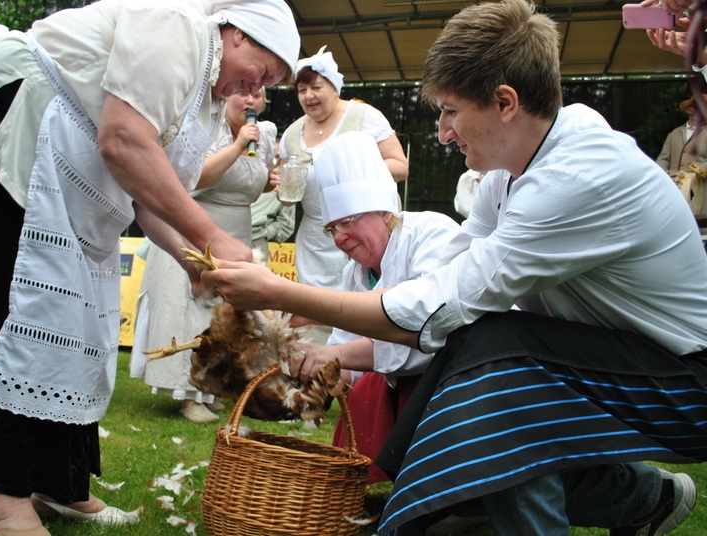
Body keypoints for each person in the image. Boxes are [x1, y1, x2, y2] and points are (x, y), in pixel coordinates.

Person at [200, 1, 707, 535]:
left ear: (505, 103)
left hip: (687, 387)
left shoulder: (576, 177)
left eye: (450, 111)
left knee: (498, 363)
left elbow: (440, 306)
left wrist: (281, 295)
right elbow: (449, 293)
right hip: (606, 366)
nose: (442, 133)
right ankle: (639, 498)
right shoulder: (510, 173)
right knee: (490, 372)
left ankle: (433, 506)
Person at [0, 0, 299, 534]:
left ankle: (59, 481)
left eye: (271, 81)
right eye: (265, 70)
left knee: (79, 324)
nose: (259, 88)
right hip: (2, 115)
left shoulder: (201, 102)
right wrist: (210, 236)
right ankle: (3, 504)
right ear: (236, 35)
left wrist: (192, 261)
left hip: (64, 163)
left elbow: (147, 196)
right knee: (23, 308)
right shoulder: (181, 29)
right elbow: (122, 141)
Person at [285, 130, 467, 486]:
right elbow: (346, 350)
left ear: (385, 211)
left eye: (348, 222)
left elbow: (427, 332)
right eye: (332, 228)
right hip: (404, 381)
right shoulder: (356, 272)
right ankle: (371, 478)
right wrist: (322, 373)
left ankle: (448, 493)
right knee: (365, 386)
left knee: (388, 382)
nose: (339, 238)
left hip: (452, 379)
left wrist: (333, 354)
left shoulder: (432, 235)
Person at [129, 87, 278, 423]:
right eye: (244, 92)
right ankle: (187, 395)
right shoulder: (208, 130)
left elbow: (251, 181)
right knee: (190, 313)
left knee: (223, 318)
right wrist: (237, 147)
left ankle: (210, 388)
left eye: (258, 95)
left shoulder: (264, 136)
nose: (250, 100)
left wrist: (272, 181)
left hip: (236, 230)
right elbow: (195, 179)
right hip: (194, 227)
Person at [278, 45, 409, 342]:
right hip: (316, 236)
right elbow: (289, 195)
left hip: (365, 228)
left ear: (334, 87)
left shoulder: (364, 116)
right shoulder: (292, 133)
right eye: (301, 89)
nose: (309, 95)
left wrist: (355, 179)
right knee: (316, 309)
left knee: (364, 302)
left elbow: (400, 166)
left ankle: (365, 372)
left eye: (316, 86)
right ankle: (322, 372)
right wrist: (281, 186)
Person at [657, 94, 707, 173]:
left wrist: (698, 169)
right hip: (674, 184)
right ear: (689, 109)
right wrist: (662, 175)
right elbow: (663, 159)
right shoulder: (674, 133)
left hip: (699, 184)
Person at [250, 191, 296, 260]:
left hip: (255, 240)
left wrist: (265, 232)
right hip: (228, 234)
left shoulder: (285, 183)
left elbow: (286, 225)